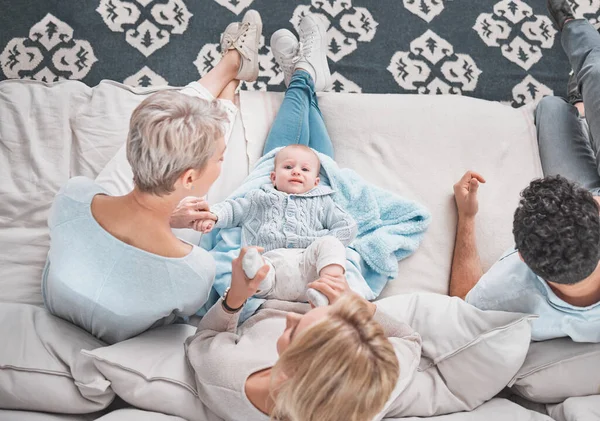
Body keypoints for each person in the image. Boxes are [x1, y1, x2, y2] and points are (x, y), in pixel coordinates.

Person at [185, 14, 422, 421]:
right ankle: (305, 74)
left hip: (266, 281)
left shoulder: (227, 381)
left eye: (292, 333)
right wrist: (354, 306)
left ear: (291, 371)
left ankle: (303, 76)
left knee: (289, 152)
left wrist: (236, 297)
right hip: (321, 259)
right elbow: (410, 342)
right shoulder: (372, 390)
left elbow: (204, 336)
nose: (289, 322)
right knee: (316, 161)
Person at [42, 10, 264, 344]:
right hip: (133, 313)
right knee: (185, 143)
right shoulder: (193, 268)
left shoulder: (74, 196)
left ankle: (229, 70)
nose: (222, 162)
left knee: (162, 132)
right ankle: (230, 87)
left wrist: (170, 219)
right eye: (220, 158)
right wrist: (171, 222)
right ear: (189, 179)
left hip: (66, 291)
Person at [449, 1, 600, 343]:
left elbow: (460, 306)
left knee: (550, 110)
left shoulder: (512, 288)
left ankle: (577, 91)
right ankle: (575, 38)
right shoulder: (521, 274)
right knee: (595, 75)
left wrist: (467, 217)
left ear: (521, 257)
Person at [196, 143, 357, 304]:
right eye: (288, 167)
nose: (296, 171)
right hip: (272, 266)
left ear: (316, 183)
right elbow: (232, 209)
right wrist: (213, 215)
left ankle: (328, 287)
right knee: (253, 264)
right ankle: (257, 285)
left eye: (305, 170)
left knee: (331, 244)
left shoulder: (323, 202)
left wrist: (325, 244)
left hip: (310, 266)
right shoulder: (258, 198)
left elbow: (347, 226)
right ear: (273, 177)